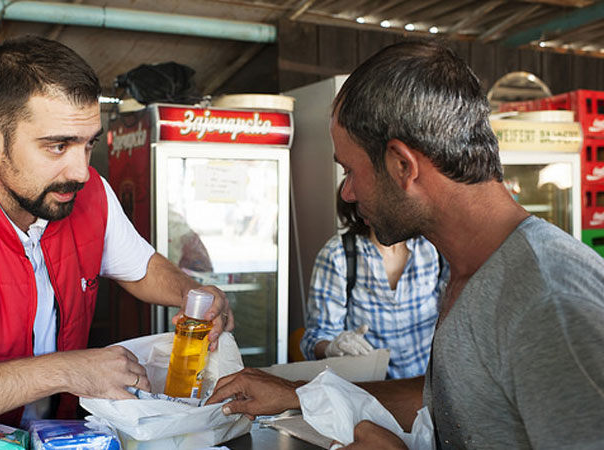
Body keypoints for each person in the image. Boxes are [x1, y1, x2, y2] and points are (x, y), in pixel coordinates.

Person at [207, 40, 604, 449]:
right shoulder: (468, 266)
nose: (346, 193)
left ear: (402, 165)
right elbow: (454, 402)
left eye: (350, 170)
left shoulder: (550, 305)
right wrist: (301, 394)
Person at [0, 35, 233, 436]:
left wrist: (191, 293)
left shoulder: (89, 194)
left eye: (88, 144)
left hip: (55, 436)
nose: (81, 171)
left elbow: (141, 267)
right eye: (57, 146)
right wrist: (66, 370)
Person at [301, 179, 444, 379]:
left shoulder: (431, 246)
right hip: (368, 391)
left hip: (426, 386)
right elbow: (314, 339)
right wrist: (332, 347)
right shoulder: (338, 254)